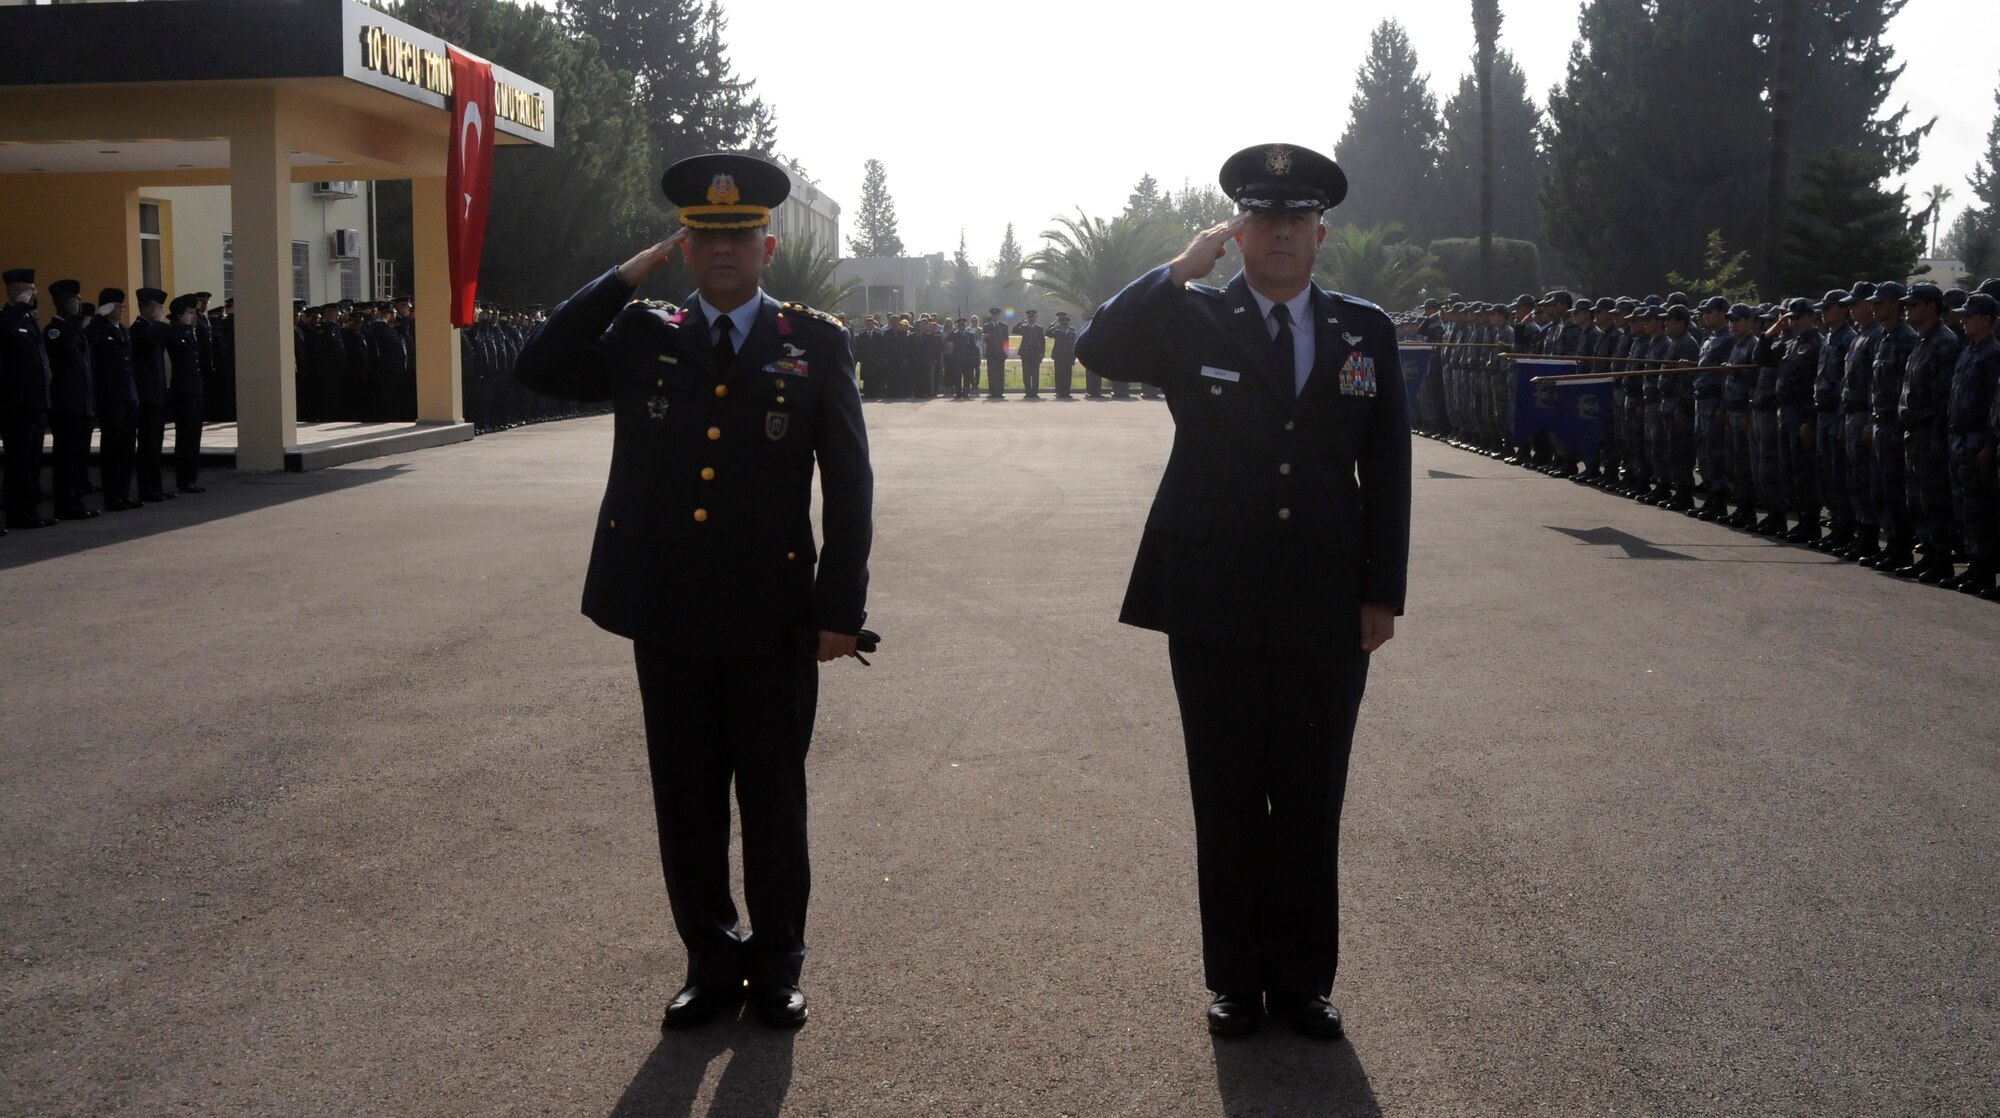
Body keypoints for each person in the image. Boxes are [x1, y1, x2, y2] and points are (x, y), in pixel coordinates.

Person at [513, 152, 873, 1033]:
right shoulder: (642, 334)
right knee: (686, 796)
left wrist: (840, 611)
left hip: (774, 614)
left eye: (738, 235)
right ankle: (712, 962)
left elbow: (850, 484)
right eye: (706, 235)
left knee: (774, 798)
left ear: (768, 245)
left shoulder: (813, 342)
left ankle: (778, 963)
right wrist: (627, 272)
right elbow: (541, 363)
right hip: (667, 607)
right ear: (686, 244)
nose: (723, 250)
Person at [1073, 142, 1409, 1042]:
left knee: (1309, 796)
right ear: (1239, 231)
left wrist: (1383, 593)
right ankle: (1235, 981)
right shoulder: (1193, 317)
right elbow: (1096, 347)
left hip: (1324, 600)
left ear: (1321, 234)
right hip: (1212, 594)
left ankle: (1301, 984)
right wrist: (1178, 268)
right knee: (1224, 795)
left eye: (1297, 220)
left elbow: (1389, 467)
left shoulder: (1362, 331)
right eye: (1263, 219)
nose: (1281, 234)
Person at [1, 267, 54, 531]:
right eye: (30, 289)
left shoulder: (28, 320)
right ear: (16, 291)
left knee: (33, 459)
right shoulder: (9, 318)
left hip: (35, 402)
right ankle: (17, 512)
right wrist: (17, 308)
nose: (34, 293)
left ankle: (30, 510)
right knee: (18, 460)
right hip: (17, 404)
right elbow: (6, 333)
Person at [43, 279, 98, 520]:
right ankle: (65, 505)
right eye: (75, 300)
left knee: (77, 458)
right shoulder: (54, 329)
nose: (79, 303)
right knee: (65, 458)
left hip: (81, 402)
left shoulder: (75, 329)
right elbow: (62, 345)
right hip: (65, 404)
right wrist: (77, 322)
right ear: (63, 303)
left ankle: (75, 502)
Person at [165, 294, 207, 494]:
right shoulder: (175, 333)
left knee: (194, 435)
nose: (193, 316)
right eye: (190, 313)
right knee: (186, 437)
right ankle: (184, 479)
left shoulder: (189, 332)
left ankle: (191, 477)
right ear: (179, 314)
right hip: (183, 391)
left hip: (194, 389)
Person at [1017, 309, 1046, 399]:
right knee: (1026, 374)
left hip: (1035, 354)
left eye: (1032, 317)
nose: (1031, 318)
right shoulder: (1024, 327)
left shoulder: (1039, 328)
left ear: (1035, 318)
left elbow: (1042, 342)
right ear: (1027, 318)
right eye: (1029, 317)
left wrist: (1042, 353)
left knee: (1035, 374)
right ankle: (1028, 392)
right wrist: (1020, 323)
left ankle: (1035, 392)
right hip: (1025, 354)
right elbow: (1014, 330)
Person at [1049, 311, 1079, 399]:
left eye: (1066, 323)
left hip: (1068, 358)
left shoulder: (1072, 333)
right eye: (1062, 323)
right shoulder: (1057, 332)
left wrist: (1073, 357)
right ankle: (1059, 392)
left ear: (1068, 324)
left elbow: (1074, 346)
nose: (1064, 325)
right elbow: (1047, 333)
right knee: (1059, 375)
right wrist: (1054, 325)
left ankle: (1067, 392)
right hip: (1058, 357)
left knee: (1068, 375)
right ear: (1060, 324)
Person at [982, 307, 1010, 399]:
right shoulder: (987, 326)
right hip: (990, 353)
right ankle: (992, 391)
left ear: (999, 315)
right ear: (991, 315)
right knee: (991, 373)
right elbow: (984, 341)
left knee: (1000, 373)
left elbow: (1006, 340)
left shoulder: (1003, 326)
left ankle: (1000, 391)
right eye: (993, 315)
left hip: (1000, 353)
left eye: (996, 315)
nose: (995, 316)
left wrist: (1006, 352)